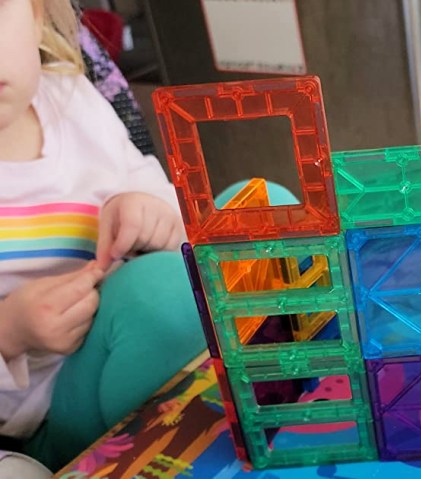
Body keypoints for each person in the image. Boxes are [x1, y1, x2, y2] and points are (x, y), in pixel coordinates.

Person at [0, 0, 205, 470]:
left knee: (261, 203)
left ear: (34, 15)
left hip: (128, 340)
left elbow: (173, 211)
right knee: (162, 298)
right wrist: (9, 332)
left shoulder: (74, 99)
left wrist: (150, 212)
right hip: (50, 418)